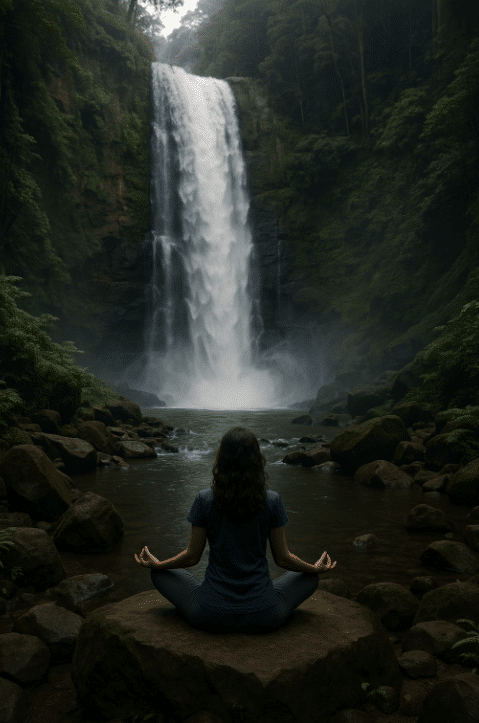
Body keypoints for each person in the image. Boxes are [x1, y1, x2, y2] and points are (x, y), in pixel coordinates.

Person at [134, 426, 337, 634]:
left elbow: (192, 557)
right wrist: (314, 569)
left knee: (160, 575)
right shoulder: (272, 501)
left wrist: (160, 564)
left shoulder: (204, 500)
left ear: (221, 459)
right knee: (309, 578)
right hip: (266, 614)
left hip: (209, 612)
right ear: (257, 460)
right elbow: (283, 559)